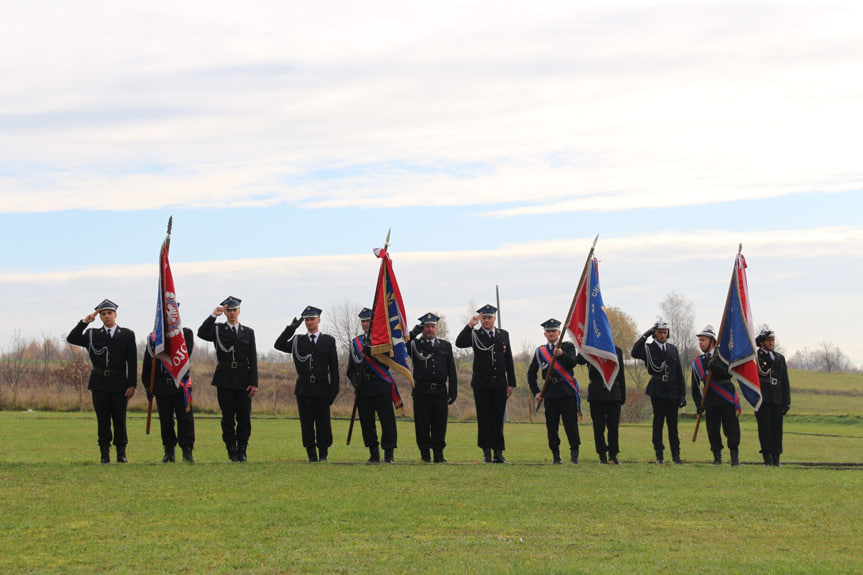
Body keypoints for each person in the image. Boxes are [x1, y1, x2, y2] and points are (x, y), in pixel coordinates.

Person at [66, 299, 137, 464]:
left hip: (119, 382)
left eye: (109, 313)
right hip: (99, 383)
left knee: (119, 419)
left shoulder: (127, 334)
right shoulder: (92, 334)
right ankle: (104, 453)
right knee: (103, 419)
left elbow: (132, 362)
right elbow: (72, 338)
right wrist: (85, 322)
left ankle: (121, 453)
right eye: (103, 314)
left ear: (115, 314)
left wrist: (132, 385)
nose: (106, 316)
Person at [274, 306, 340, 462]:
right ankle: (311, 454)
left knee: (323, 422)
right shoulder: (298, 341)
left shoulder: (328, 341)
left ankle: (323, 454)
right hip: (304, 388)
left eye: (312, 319)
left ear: (319, 320)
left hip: (322, 387)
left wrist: (334, 389)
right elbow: (279, 344)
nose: (309, 322)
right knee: (307, 423)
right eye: (307, 320)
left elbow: (334, 368)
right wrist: (291, 329)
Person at [197, 296, 258, 462]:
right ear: (225, 312)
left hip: (243, 379)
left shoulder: (248, 332)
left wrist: (254, 382)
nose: (232, 313)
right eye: (229, 310)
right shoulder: (217, 329)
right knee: (228, 418)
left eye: (234, 310)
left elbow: (252, 358)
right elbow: (201, 333)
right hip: (224, 378)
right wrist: (213, 315)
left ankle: (242, 450)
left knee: (244, 418)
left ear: (239, 311)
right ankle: (231, 451)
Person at [455, 304, 517, 463]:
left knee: (497, 417)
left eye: (489, 317)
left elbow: (508, 359)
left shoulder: (503, 335)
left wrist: (511, 383)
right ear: (481, 319)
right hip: (482, 383)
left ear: (494, 318)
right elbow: (459, 343)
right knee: (484, 418)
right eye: (484, 318)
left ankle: (498, 452)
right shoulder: (475, 334)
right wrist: (470, 325)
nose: (487, 320)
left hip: (499, 383)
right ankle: (486, 452)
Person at [347, 308, 399, 464]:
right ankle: (373, 454)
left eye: (368, 321)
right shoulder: (355, 343)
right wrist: (356, 381)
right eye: (363, 321)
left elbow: (390, 361)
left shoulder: (383, 340)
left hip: (381, 384)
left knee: (387, 421)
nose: (365, 324)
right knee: (367, 422)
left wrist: (373, 351)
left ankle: (388, 454)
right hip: (364, 387)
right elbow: (350, 369)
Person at [631, 318, 686, 464]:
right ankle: (659, 455)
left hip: (673, 390)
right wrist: (646, 335)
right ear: (655, 334)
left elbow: (679, 372)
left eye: (665, 332)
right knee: (658, 423)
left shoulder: (673, 349)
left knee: (673, 426)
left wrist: (682, 394)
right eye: (660, 332)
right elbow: (635, 352)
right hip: (658, 390)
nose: (662, 335)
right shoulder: (649, 349)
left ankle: (676, 455)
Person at [528, 319, 581, 464]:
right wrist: (536, 392)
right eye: (549, 331)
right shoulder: (540, 351)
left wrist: (561, 354)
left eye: (554, 331)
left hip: (566, 391)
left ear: (559, 332)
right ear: (545, 334)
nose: (551, 334)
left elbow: (573, 362)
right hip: (550, 393)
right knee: (552, 426)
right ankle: (556, 456)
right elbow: (531, 374)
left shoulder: (567, 346)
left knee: (571, 424)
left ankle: (574, 454)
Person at [408, 312, 458, 463]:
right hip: (422, 391)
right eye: (427, 327)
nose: (430, 330)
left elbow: (452, 370)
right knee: (422, 424)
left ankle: (438, 454)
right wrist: (414, 332)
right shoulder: (415, 345)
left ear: (436, 328)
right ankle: (425, 454)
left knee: (439, 424)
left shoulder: (445, 345)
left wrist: (453, 391)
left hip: (440, 391)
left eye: (432, 327)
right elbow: (401, 344)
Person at [142, 327, 196, 464]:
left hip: (180, 385)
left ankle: (187, 451)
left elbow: (186, 354)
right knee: (166, 420)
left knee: (185, 419)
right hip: (162, 386)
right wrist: (148, 386)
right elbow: (148, 363)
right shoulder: (153, 338)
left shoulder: (186, 334)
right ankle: (169, 451)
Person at [690, 324, 741, 466]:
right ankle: (717, 457)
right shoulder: (697, 363)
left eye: (703, 340)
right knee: (712, 430)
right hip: (710, 400)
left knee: (731, 429)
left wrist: (715, 368)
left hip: (726, 398)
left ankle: (734, 456)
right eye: (699, 341)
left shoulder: (724, 356)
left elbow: (728, 374)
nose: (700, 343)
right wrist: (699, 404)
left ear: (712, 341)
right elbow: (695, 386)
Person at [755, 325, 791, 467]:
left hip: (777, 397)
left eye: (772, 340)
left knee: (777, 430)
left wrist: (786, 401)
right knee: (765, 429)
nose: (771, 343)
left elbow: (785, 381)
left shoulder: (779, 358)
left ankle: (776, 457)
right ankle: (767, 457)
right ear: (762, 342)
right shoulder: (756, 357)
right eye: (768, 340)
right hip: (763, 398)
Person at [585, 345, 626, 464]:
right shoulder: (590, 348)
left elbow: (621, 373)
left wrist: (622, 395)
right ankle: (602, 454)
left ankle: (613, 454)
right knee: (598, 427)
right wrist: (585, 346)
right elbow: (579, 360)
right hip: (596, 394)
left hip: (613, 393)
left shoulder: (617, 350)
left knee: (613, 427)